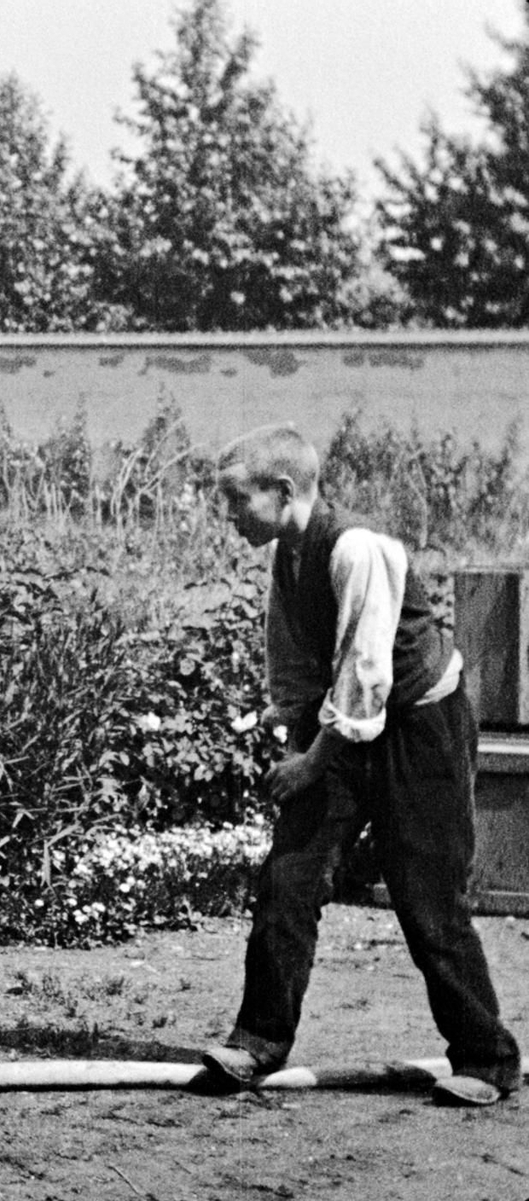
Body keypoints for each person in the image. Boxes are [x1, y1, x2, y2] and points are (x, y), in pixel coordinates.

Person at [202, 423, 520, 1107]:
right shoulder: (287, 557)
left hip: (418, 725)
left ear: (284, 492)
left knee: (426, 894)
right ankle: (258, 1042)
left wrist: (313, 761)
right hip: (344, 725)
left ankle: (488, 1058)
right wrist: (297, 747)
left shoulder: (357, 549)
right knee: (290, 874)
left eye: (236, 502)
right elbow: (294, 668)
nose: (228, 518)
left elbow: (366, 675)